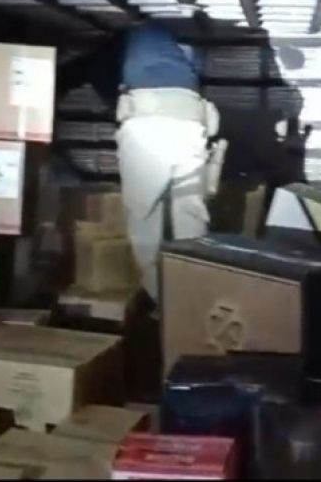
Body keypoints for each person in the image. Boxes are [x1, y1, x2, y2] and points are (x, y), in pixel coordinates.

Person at [57, 22, 222, 303]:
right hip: (190, 121)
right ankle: (197, 300)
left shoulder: (117, 48)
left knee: (145, 216)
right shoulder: (172, 48)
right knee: (190, 212)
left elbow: (80, 72)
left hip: (148, 122)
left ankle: (164, 306)